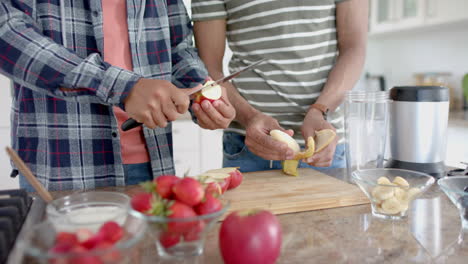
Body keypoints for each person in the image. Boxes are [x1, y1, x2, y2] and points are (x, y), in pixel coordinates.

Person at [0, 0, 235, 191]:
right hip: (62, 170)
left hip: (153, 165)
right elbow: (7, 34)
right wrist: (124, 87)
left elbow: (179, 47)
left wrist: (198, 91)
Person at [192, 0, 367, 172]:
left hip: (326, 145)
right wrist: (250, 117)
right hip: (249, 143)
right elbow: (209, 68)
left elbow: (354, 47)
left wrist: (320, 109)